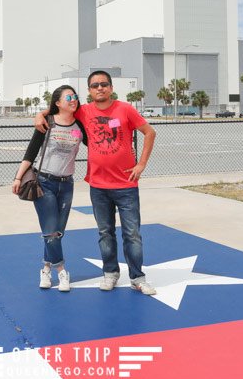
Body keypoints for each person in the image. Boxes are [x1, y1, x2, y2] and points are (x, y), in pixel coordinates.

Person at [36, 70, 158, 295]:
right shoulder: (84, 111)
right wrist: (41, 114)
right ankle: (110, 274)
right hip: (99, 185)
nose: (99, 88)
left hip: (126, 185)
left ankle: (137, 277)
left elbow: (149, 133)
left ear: (111, 88)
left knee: (132, 233)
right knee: (105, 232)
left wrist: (141, 165)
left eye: (104, 84)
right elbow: (59, 109)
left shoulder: (125, 109)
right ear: (90, 91)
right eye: (94, 85)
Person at [13, 86, 87, 292]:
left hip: (67, 184)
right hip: (45, 182)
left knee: (58, 232)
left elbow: (98, 144)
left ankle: (45, 268)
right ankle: (62, 270)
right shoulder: (47, 123)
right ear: (57, 102)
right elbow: (31, 152)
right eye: (69, 97)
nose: (74, 100)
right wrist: (18, 177)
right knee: (51, 232)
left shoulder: (80, 124)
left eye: (75, 97)